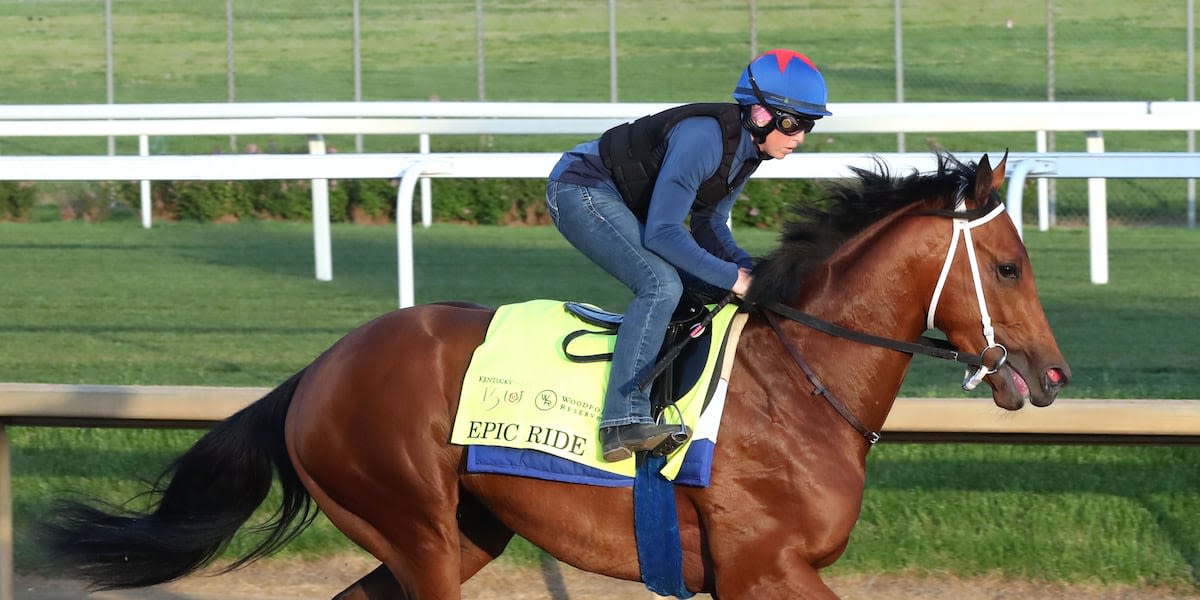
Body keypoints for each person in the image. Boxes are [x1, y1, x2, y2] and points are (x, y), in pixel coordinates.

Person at [545, 49, 832, 462]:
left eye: (809, 125)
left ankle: (670, 401)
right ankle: (621, 422)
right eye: (793, 123)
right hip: (581, 189)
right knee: (660, 284)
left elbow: (709, 224)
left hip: (621, 200)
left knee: (707, 283)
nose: (800, 138)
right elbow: (663, 233)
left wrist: (751, 272)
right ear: (761, 115)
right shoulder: (703, 138)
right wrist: (735, 278)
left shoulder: (748, 152)